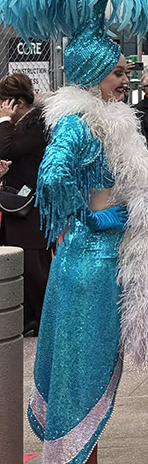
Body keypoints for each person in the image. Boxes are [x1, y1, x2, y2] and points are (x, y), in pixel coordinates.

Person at [0, 0, 148, 464]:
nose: (126, 81)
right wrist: (96, 217)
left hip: (96, 262)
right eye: (119, 73)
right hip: (89, 264)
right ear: (93, 74)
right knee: (83, 370)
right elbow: (54, 174)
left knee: (90, 367)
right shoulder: (81, 122)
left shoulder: (108, 119)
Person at [0, 72, 51, 336]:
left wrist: (4, 120)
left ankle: (44, 317)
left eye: (3, 103)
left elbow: (7, 149)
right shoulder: (23, 124)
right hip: (17, 202)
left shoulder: (36, 122)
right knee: (20, 260)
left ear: (16, 102)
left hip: (32, 205)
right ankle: (29, 315)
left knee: (33, 262)